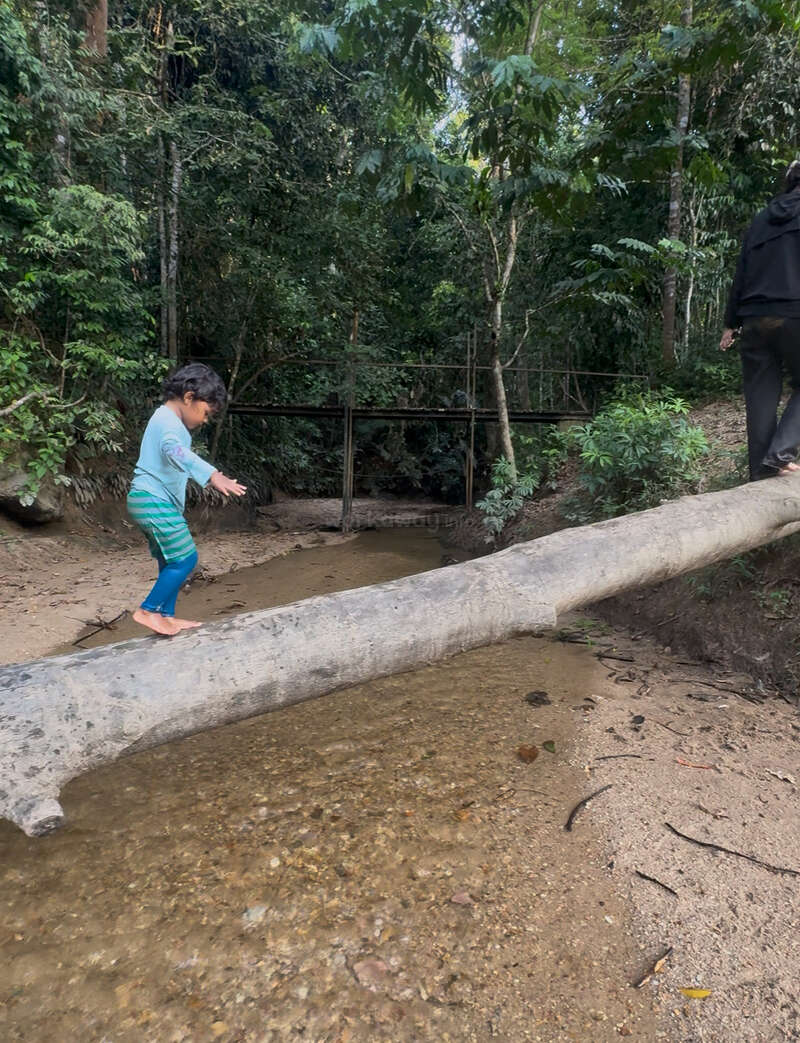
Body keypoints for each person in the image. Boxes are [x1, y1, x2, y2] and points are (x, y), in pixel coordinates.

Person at [127, 362, 246, 636]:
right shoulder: (167, 422)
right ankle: (148, 610)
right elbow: (173, 451)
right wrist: (212, 474)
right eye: (206, 413)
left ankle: (165, 616)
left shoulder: (165, 419)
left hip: (150, 501)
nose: (205, 420)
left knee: (171, 562)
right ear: (190, 397)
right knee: (186, 559)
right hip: (151, 499)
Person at [720, 159, 800, 480]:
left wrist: (730, 322)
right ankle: (780, 454)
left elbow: (742, 271)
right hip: (795, 311)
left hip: (753, 316)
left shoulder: (761, 219)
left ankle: (761, 472)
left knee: (759, 393)